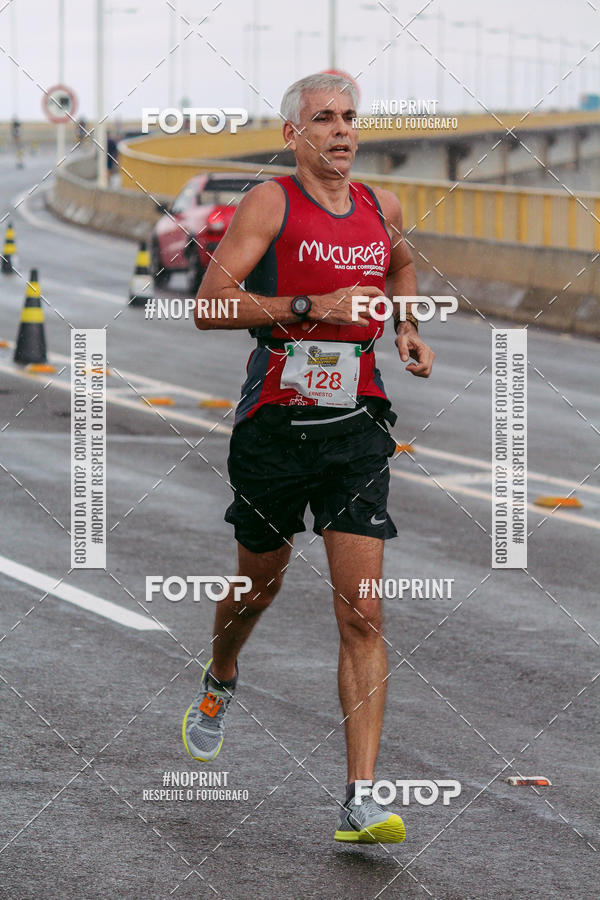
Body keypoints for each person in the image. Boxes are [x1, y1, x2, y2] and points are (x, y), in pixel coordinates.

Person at [184, 73, 434, 843]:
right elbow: (209, 304)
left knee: (363, 612)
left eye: (350, 117)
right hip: (273, 425)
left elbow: (398, 263)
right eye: (323, 118)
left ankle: (359, 802)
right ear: (293, 133)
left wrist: (405, 327)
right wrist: (309, 307)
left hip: (356, 424)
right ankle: (222, 672)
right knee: (257, 589)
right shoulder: (271, 204)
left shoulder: (380, 206)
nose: (341, 130)